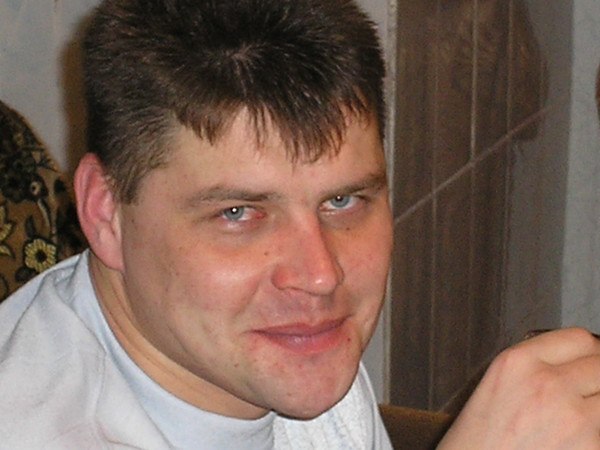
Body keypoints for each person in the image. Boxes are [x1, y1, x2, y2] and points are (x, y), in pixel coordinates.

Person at [1, 0, 600, 449]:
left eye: (342, 201)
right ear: (106, 213)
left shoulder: (263, 346)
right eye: (238, 213)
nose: (320, 275)